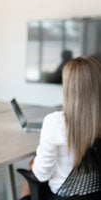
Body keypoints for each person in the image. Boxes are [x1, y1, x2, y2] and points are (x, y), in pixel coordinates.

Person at [19, 56, 101, 199]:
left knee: (32, 168)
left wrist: (34, 166)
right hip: (95, 194)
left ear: (69, 89)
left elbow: (42, 175)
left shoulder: (55, 122)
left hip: (62, 196)